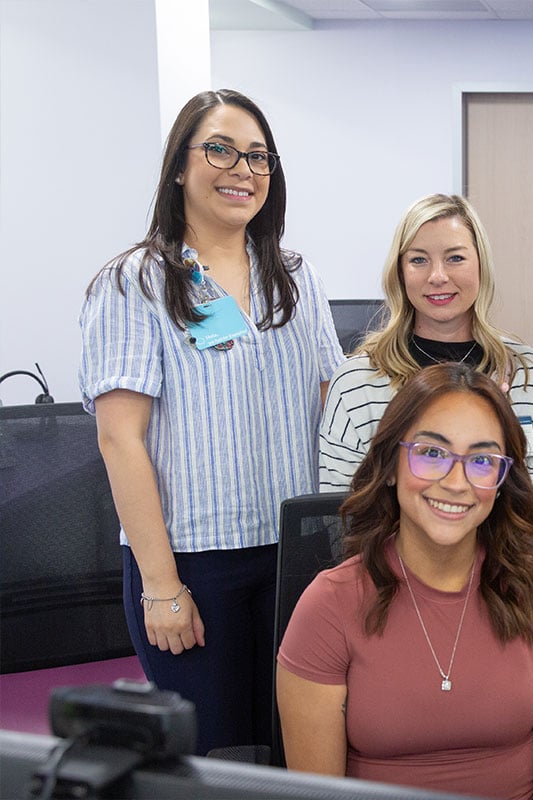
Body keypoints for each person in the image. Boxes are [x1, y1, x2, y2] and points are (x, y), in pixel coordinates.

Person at [79, 89, 343, 754]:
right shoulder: (135, 282)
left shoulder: (294, 276)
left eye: (258, 157)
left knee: (296, 747)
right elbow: (120, 439)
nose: (243, 170)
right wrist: (163, 586)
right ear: (179, 167)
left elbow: (329, 402)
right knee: (215, 754)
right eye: (221, 150)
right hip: (193, 563)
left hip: (296, 554)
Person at [277, 363, 533, 800]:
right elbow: (318, 794)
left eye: (482, 460)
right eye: (431, 453)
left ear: (502, 481)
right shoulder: (329, 605)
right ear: (390, 466)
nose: (456, 482)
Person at [318, 194, 533, 493]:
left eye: (455, 258)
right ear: (400, 273)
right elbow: (342, 519)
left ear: (481, 265)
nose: (437, 276)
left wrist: (501, 436)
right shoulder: (355, 384)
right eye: (419, 260)